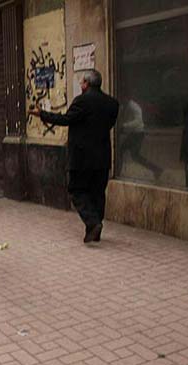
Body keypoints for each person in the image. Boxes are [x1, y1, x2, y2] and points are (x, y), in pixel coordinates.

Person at [29, 69, 119, 243]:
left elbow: (66, 120)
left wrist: (43, 114)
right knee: (97, 193)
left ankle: (92, 223)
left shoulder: (82, 101)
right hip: (102, 157)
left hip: (82, 158)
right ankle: (95, 228)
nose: (80, 84)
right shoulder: (112, 104)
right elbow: (108, 125)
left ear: (86, 83)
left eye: (81, 82)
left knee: (76, 190)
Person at [117, 96, 163, 180]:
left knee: (133, 155)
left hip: (138, 133)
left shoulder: (134, 107)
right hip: (133, 133)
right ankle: (118, 172)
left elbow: (138, 121)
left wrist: (124, 126)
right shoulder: (124, 106)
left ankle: (156, 169)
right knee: (125, 152)